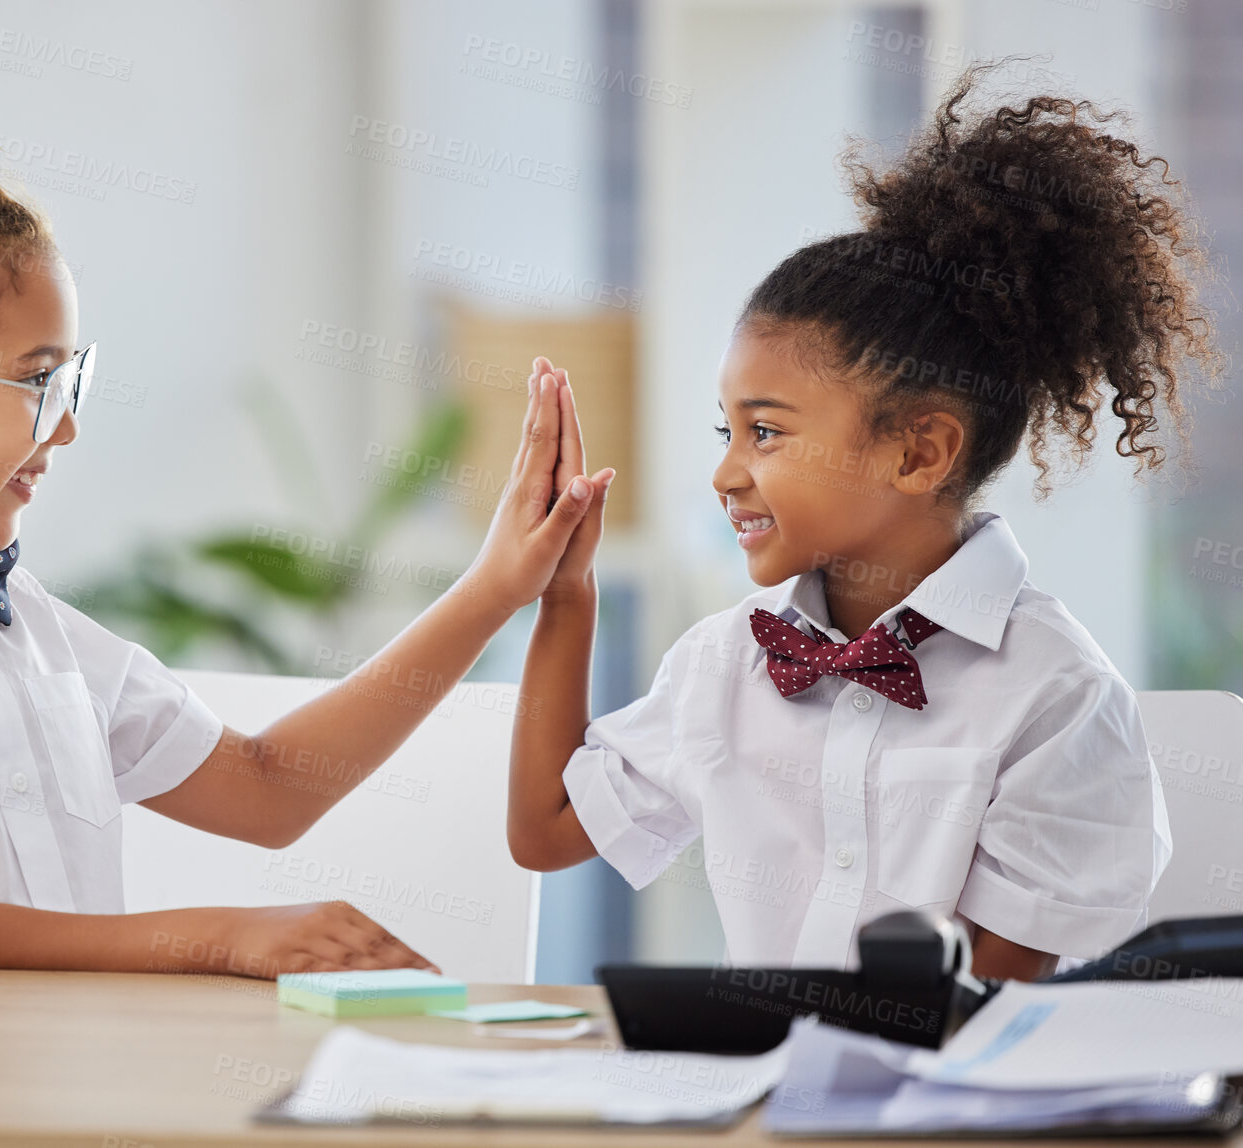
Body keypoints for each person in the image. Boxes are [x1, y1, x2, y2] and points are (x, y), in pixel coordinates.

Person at [0, 79, 605, 977]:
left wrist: (492, 587)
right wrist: (216, 936)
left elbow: (264, 789)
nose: (67, 425)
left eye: (70, 380)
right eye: (37, 381)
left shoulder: (18, 619)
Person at [507, 67, 1219, 981]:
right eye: (727, 431)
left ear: (918, 455)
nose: (726, 472)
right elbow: (545, 833)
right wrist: (564, 597)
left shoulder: (1056, 696)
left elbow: (981, 1009)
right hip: (757, 1112)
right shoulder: (722, 664)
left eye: (765, 432)